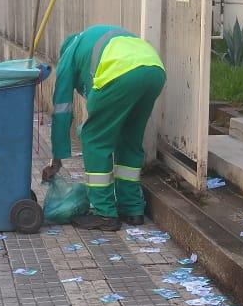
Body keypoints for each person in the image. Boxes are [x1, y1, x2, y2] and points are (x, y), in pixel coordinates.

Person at [42, 25, 166, 231]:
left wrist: (57, 158)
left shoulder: (68, 56)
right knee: (129, 138)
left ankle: (103, 212)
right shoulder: (95, 39)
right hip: (154, 70)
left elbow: (62, 109)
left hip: (120, 73)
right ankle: (132, 208)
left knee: (94, 138)